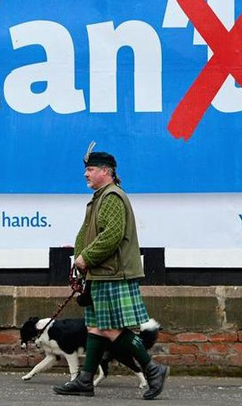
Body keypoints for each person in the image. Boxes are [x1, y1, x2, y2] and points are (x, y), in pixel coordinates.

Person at [53, 144, 169, 400]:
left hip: (112, 272)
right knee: (95, 327)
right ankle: (85, 380)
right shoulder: (101, 197)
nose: (86, 174)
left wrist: (86, 257)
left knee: (109, 329)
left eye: (91, 169)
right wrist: (81, 255)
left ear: (106, 171)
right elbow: (95, 233)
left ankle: (153, 369)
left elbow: (112, 236)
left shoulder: (112, 197)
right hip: (101, 272)